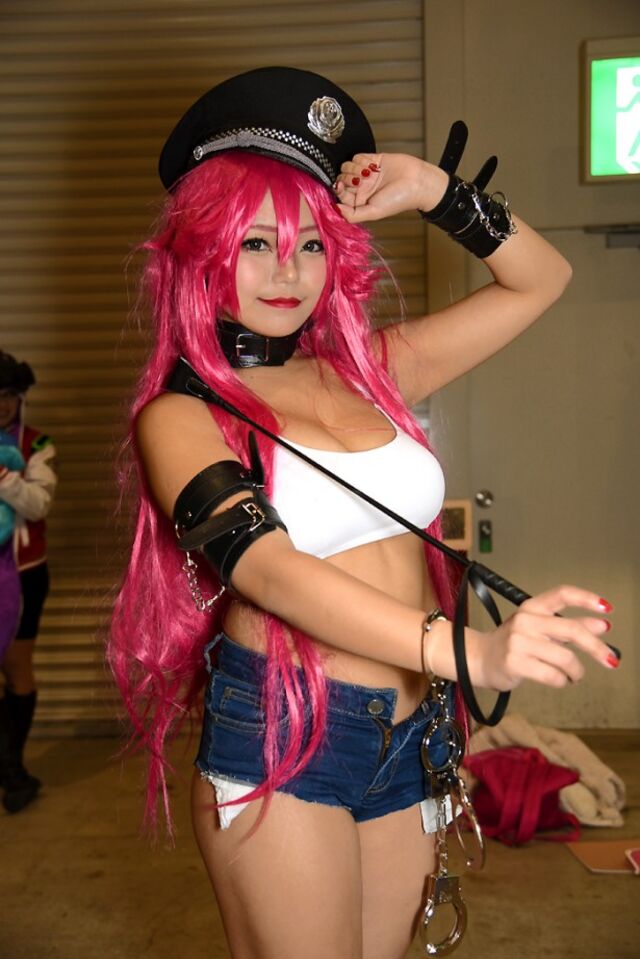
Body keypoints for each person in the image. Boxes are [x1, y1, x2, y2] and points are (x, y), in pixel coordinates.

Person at [109, 67, 618, 959]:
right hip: (285, 733)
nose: (287, 272)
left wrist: (432, 191)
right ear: (202, 247)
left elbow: (542, 279)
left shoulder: (370, 371)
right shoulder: (180, 416)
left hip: (411, 731)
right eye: (256, 242)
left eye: (310, 244)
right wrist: (466, 651)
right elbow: (269, 568)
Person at [0, 352, 57, 813]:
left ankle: (13, 769)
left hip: (23, 574)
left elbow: (38, 504)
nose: (2, 405)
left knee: (17, 669)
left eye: (10, 396)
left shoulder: (36, 444)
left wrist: (3, 478)